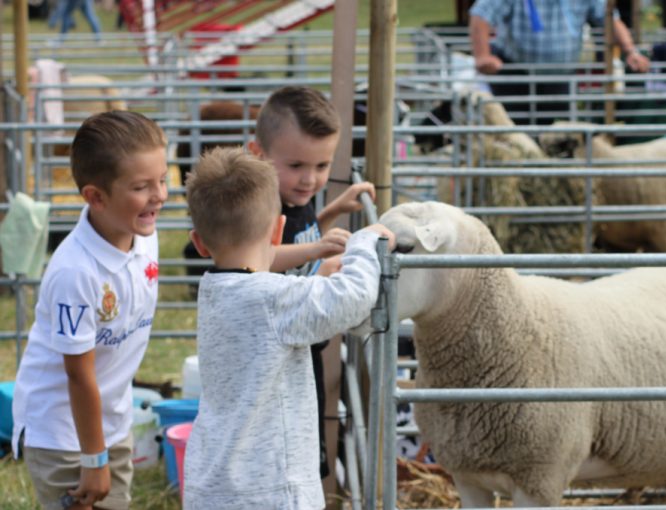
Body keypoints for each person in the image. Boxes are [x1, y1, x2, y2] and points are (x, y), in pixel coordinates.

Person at [182, 146, 395, 509]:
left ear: (199, 243)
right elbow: (354, 297)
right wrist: (363, 244)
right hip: (271, 488)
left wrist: (317, 261)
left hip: (212, 482)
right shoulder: (273, 300)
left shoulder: (215, 290)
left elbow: (256, 262)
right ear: (279, 230)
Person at [11, 110, 168, 510]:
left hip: (111, 422)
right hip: (64, 434)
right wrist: (93, 458)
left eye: (163, 180)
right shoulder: (75, 273)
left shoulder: (142, 236)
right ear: (96, 197)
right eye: (141, 186)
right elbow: (78, 375)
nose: (160, 195)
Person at [248, 85, 376, 480]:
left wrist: (333, 210)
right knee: (279, 457)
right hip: (273, 361)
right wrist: (317, 255)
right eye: (297, 165)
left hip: (302, 351)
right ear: (258, 155)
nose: (309, 179)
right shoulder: (258, 207)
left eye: (322, 167)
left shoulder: (295, 200)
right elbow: (259, 259)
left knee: (306, 448)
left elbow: (296, 238)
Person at [469, 0, 651, 123]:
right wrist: (483, 56)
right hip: (516, 77)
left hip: (560, 79)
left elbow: (610, 18)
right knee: (515, 136)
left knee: (558, 137)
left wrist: (631, 51)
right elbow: (481, 14)